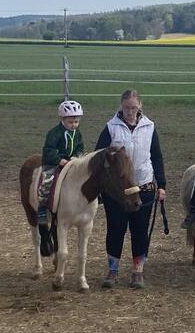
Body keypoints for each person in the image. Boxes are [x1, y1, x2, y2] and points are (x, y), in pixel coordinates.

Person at [95, 89, 166, 289]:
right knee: (115, 229)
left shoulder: (149, 127)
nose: (130, 112)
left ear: (140, 106)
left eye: (133, 108)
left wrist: (161, 185)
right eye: (126, 108)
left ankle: (137, 271)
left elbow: (157, 156)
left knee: (140, 231)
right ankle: (113, 269)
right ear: (121, 106)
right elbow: (99, 156)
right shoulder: (111, 128)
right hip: (117, 191)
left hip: (143, 185)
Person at [38, 100, 84, 257]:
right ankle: (42, 208)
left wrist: (77, 157)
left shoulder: (77, 134)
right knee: (47, 182)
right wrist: (60, 160)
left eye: (76, 121)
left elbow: (80, 148)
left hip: (70, 163)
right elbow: (48, 150)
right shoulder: (54, 133)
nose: (74, 124)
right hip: (54, 163)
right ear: (62, 119)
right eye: (71, 121)